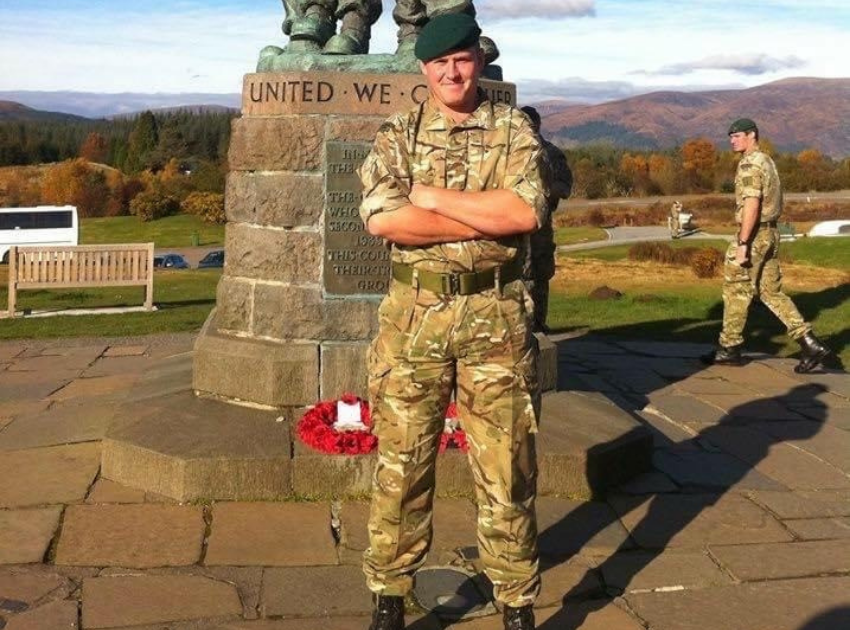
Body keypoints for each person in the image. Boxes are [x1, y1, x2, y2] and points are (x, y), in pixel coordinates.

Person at [357, 13, 545, 630]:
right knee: (403, 465)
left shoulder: (513, 129)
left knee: (506, 467)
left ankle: (515, 599)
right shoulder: (399, 135)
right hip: (414, 322)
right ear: (424, 69)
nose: (451, 72)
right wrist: (483, 218)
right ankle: (389, 592)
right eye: (439, 63)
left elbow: (522, 212)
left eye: (461, 59)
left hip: (497, 319)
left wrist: (432, 199)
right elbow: (384, 219)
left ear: (477, 60)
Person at [702, 118, 831, 372]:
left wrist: (742, 243)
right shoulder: (767, 161)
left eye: (737, 135)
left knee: (736, 288)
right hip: (771, 234)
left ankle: (729, 348)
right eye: (731, 136)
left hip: (755, 236)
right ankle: (809, 342)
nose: (732, 140)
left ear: (752, 135)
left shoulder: (750, 164)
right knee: (771, 293)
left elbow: (752, 203)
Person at [520, 105, 572, 332]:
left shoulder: (551, 153)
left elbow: (565, 187)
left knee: (540, 275)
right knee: (520, 276)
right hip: (514, 227)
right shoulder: (512, 152)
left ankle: (539, 325)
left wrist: (544, 190)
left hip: (540, 229)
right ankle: (523, 326)